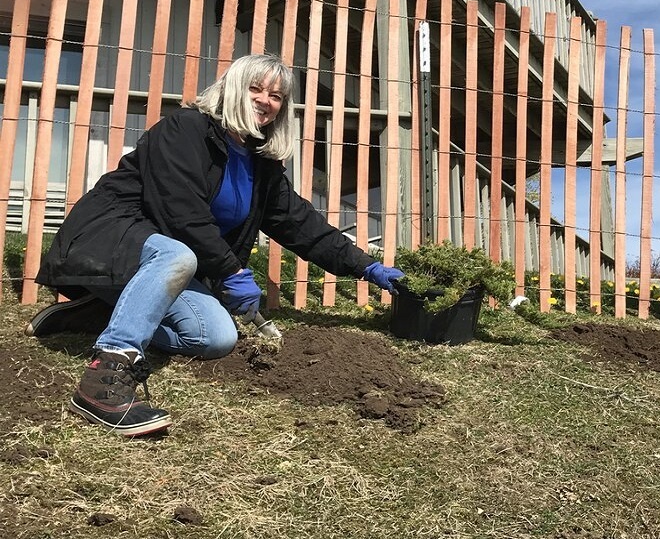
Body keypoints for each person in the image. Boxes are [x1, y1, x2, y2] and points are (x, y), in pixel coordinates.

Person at [28, 53, 404, 437]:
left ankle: (98, 311)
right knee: (178, 252)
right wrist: (229, 270)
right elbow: (182, 214)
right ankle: (106, 373)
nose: (265, 100)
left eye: (276, 95)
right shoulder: (185, 129)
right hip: (112, 237)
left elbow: (300, 224)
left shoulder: (261, 162)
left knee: (215, 338)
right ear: (231, 89)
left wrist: (367, 267)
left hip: (171, 262)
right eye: (255, 88)